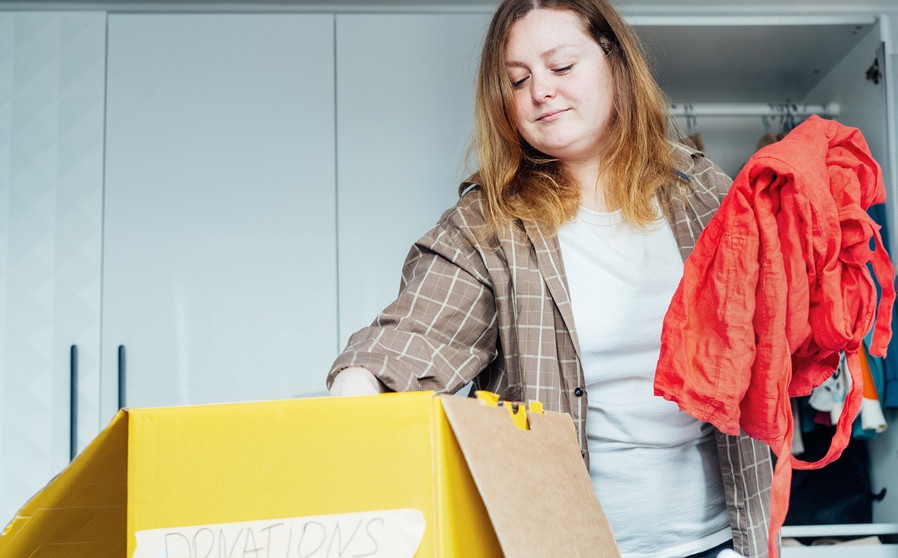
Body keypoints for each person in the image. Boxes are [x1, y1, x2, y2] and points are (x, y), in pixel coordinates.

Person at [326, 0, 773, 556]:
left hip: (720, 541)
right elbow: (415, 333)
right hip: (558, 545)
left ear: (616, 64)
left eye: (561, 68)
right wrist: (360, 383)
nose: (540, 90)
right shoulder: (487, 226)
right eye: (518, 79)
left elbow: (781, 328)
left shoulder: (705, 194)